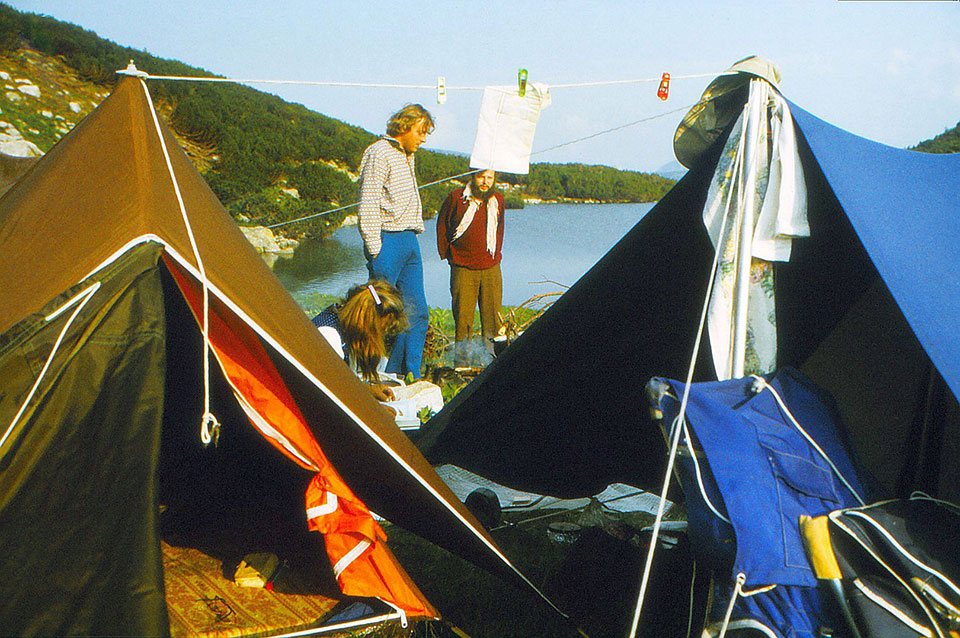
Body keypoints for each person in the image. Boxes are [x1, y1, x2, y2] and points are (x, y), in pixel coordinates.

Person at [357, 103, 434, 379]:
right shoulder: (379, 153)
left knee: (417, 313)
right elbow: (368, 201)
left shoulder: (408, 155)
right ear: (404, 127)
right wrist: (375, 249)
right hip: (386, 242)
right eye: (421, 131)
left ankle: (405, 374)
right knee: (380, 316)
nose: (423, 138)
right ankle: (368, 374)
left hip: (410, 241)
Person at [435, 169, 505, 366]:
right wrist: (448, 255)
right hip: (462, 267)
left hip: (490, 266)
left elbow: (499, 229)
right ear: (473, 176)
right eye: (481, 176)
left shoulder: (498, 200)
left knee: (492, 319)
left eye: (489, 178)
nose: (485, 182)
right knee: (463, 319)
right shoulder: (456, 198)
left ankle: (491, 363)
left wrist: (495, 254)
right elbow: (443, 225)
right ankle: (462, 366)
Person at [312, 279, 407, 402]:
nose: (379, 339)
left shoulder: (341, 322)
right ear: (367, 325)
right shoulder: (329, 337)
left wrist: (366, 388)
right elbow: (326, 392)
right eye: (379, 331)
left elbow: (341, 380)